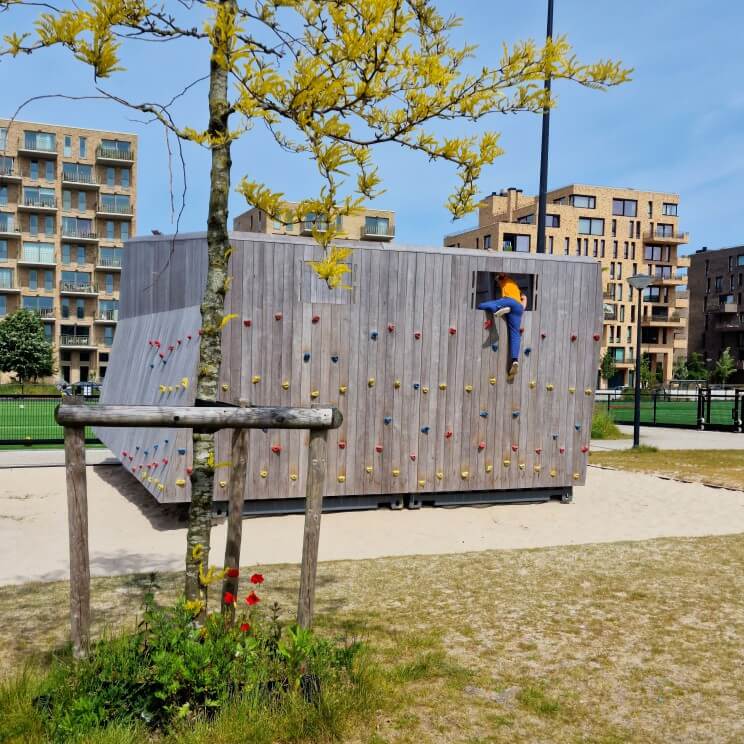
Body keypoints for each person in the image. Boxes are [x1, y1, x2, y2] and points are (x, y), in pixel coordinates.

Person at [478, 273, 526, 376]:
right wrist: (522, 308)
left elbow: (500, 273)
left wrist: (498, 277)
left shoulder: (504, 278)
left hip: (508, 301)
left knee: (482, 305)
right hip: (518, 307)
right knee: (515, 334)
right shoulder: (517, 288)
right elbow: (525, 298)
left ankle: (499, 308)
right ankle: (515, 360)